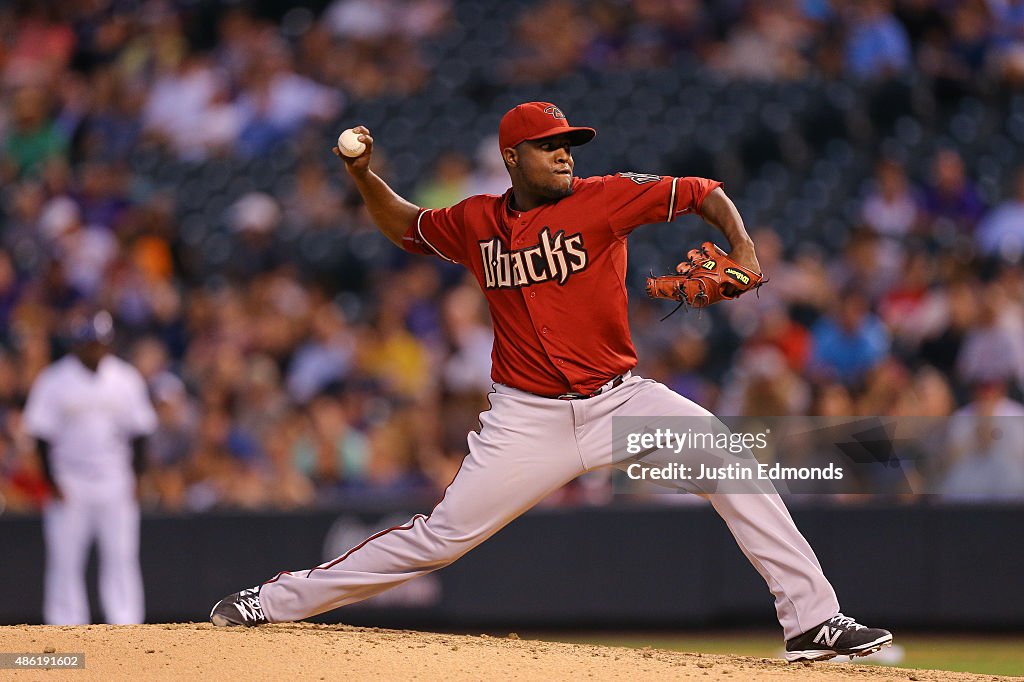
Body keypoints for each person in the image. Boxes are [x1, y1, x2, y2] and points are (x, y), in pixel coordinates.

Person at [211, 102, 893, 662]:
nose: (566, 154)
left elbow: (700, 192)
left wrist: (742, 247)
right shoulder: (476, 220)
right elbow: (408, 227)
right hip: (526, 419)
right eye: (549, 146)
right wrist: (363, 173)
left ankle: (812, 623)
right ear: (513, 158)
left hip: (619, 398)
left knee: (727, 460)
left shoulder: (604, 200)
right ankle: (272, 601)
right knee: (441, 537)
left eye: (569, 144)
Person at [24, 310, 158, 624]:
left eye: (101, 342)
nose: (96, 348)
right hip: (70, 480)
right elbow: (41, 436)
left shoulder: (124, 378)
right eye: (91, 342)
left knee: (121, 556)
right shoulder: (55, 379)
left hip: (116, 478)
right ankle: (64, 625)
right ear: (78, 343)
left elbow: (140, 433)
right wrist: (51, 481)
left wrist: (137, 478)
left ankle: (126, 622)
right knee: (65, 560)